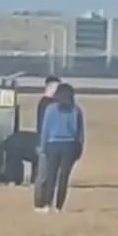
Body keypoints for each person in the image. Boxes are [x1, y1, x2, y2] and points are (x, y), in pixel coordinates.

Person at [36, 83, 84, 213]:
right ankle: (59, 206)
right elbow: (79, 132)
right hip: (69, 145)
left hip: (53, 144)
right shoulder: (76, 110)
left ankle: (47, 204)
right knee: (64, 177)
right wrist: (79, 148)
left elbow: (45, 129)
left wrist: (42, 145)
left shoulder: (51, 109)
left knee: (50, 176)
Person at [33, 76, 60, 208]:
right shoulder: (45, 104)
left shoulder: (52, 103)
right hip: (45, 141)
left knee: (50, 174)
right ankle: (39, 202)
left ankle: (46, 201)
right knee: (42, 175)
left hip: (52, 142)